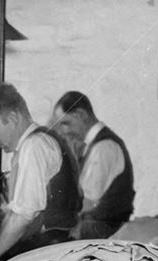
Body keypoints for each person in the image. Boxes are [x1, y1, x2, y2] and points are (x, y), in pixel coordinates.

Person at [0, 83, 81, 261]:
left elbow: (23, 216)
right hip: (50, 250)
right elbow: (19, 212)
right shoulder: (39, 140)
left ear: (13, 118)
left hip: (46, 258)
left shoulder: (33, 146)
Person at [51, 91, 135, 239]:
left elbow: (87, 202)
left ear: (81, 115)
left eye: (66, 123)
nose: (64, 131)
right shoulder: (93, 145)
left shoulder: (104, 147)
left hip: (103, 231)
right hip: (96, 227)